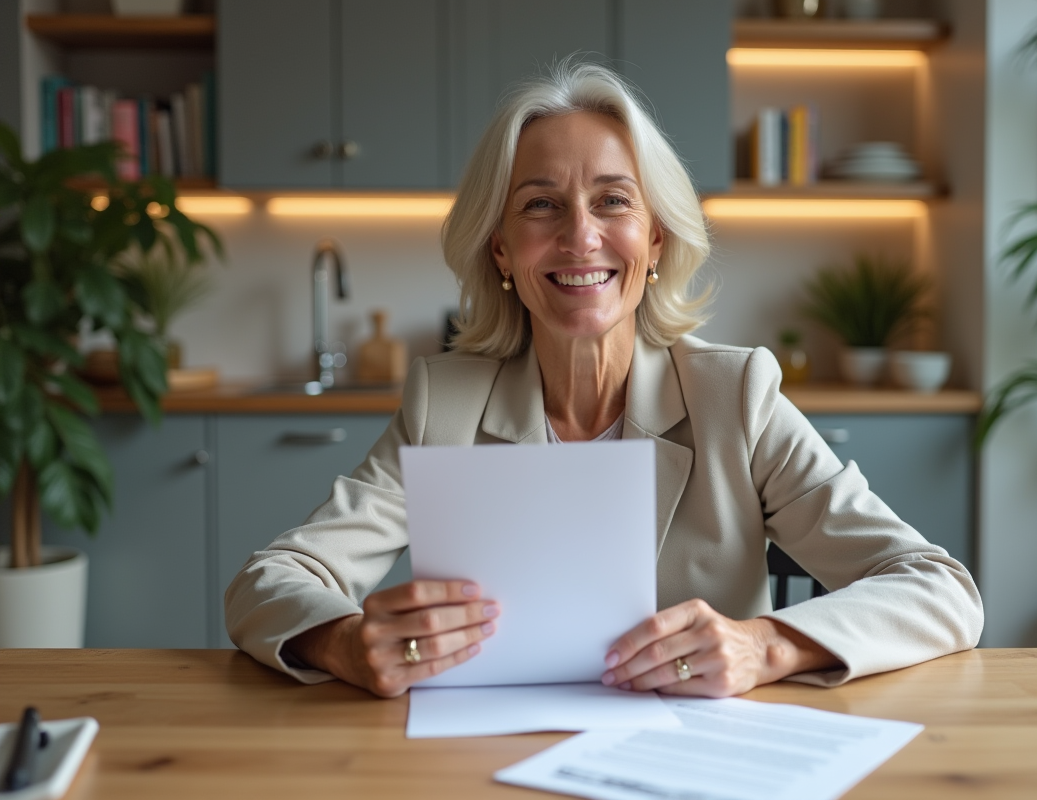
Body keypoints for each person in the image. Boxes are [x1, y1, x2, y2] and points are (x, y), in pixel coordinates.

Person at [225, 62, 983, 699]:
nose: (580, 235)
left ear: (654, 239)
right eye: (541, 205)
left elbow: (939, 588)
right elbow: (269, 580)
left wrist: (768, 646)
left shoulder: (737, 399)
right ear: (500, 251)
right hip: (491, 759)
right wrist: (343, 643)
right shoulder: (444, 406)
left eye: (613, 201)